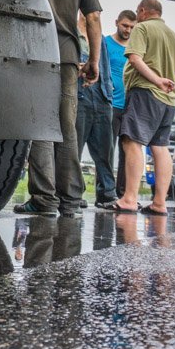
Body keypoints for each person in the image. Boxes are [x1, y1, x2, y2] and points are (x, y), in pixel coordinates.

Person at [14, 0, 102, 217]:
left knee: (40, 124)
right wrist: (94, 60)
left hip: (35, 48)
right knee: (67, 127)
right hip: (68, 55)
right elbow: (93, 17)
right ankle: (71, 200)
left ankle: (44, 199)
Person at [114, 0, 175, 216]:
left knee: (132, 142)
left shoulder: (142, 29)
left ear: (143, 11)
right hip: (168, 100)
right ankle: (160, 202)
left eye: (137, 13)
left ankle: (129, 199)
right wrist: (164, 84)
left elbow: (134, 58)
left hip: (145, 92)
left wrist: (156, 80)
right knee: (160, 148)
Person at [75, 13, 114, 207]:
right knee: (74, 149)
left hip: (102, 97)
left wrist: (109, 91)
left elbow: (107, 68)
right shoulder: (72, 34)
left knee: (105, 150)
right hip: (79, 94)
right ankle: (74, 193)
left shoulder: (102, 40)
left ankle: (107, 193)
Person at [101, 10, 137, 210]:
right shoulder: (106, 43)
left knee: (128, 151)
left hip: (130, 106)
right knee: (107, 149)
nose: (128, 30)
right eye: (125, 25)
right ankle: (106, 192)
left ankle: (124, 193)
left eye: (132, 27)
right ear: (117, 23)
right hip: (110, 104)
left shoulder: (135, 48)